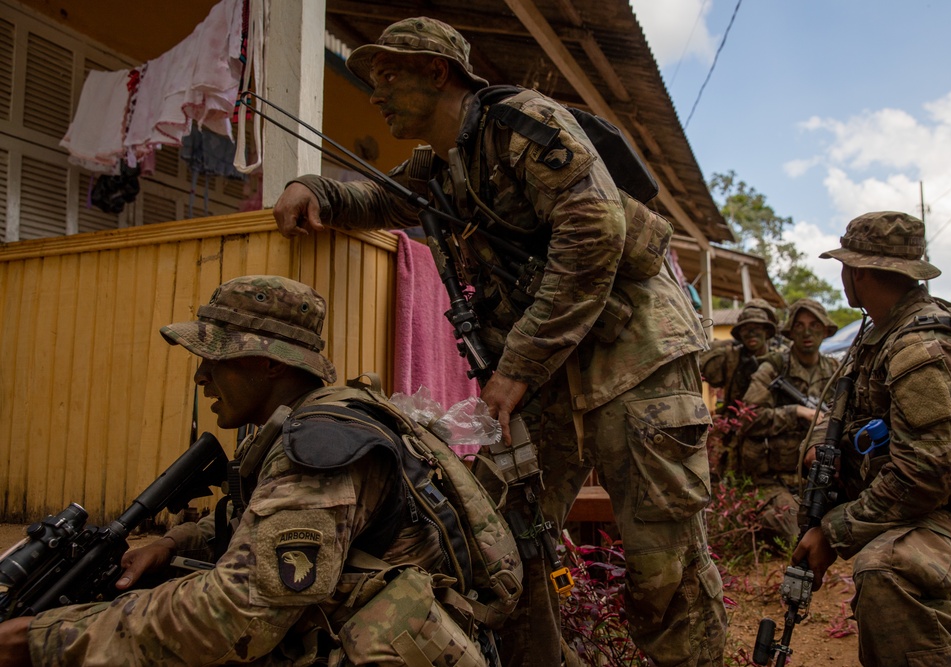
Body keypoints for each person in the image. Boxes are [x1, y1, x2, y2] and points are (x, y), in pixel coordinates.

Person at [271, 16, 727, 667]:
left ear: (438, 72)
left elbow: (593, 231)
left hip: (632, 352)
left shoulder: (522, 124)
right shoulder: (447, 164)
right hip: (545, 369)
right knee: (502, 532)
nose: (375, 94)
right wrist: (314, 188)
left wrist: (517, 364)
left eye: (389, 76)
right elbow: (384, 199)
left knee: (663, 559)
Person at [0, 275, 484, 666]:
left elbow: (235, 615)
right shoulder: (301, 424)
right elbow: (262, 520)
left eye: (215, 356)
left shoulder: (320, 451)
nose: (201, 375)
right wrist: (173, 543)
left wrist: (42, 640)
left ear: (271, 364)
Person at [793, 211, 951, 666]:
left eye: (844, 265)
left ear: (859, 270)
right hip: (935, 506)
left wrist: (833, 532)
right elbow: (851, 409)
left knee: (887, 570)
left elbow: (925, 473)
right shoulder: (878, 331)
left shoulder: (917, 348)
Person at [737, 299, 839, 546]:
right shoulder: (774, 367)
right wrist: (796, 412)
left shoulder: (835, 370)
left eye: (814, 325)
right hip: (774, 481)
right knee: (797, 534)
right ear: (790, 332)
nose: (806, 332)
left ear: (825, 330)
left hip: (819, 479)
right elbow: (748, 418)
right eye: (799, 325)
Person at [700, 299, 782, 478]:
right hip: (733, 436)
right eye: (745, 329)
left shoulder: (781, 361)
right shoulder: (731, 357)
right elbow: (701, 358)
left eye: (757, 328)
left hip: (770, 435)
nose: (751, 333)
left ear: (767, 332)